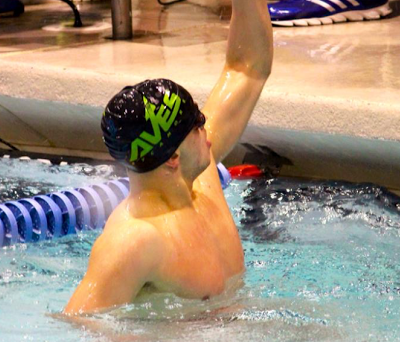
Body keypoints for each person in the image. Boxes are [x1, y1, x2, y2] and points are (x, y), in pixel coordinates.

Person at [64, 0, 273, 315]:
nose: (207, 126)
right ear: (173, 158)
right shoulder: (135, 242)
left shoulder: (200, 178)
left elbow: (247, 68)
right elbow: (77, 323)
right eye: (197, 124)